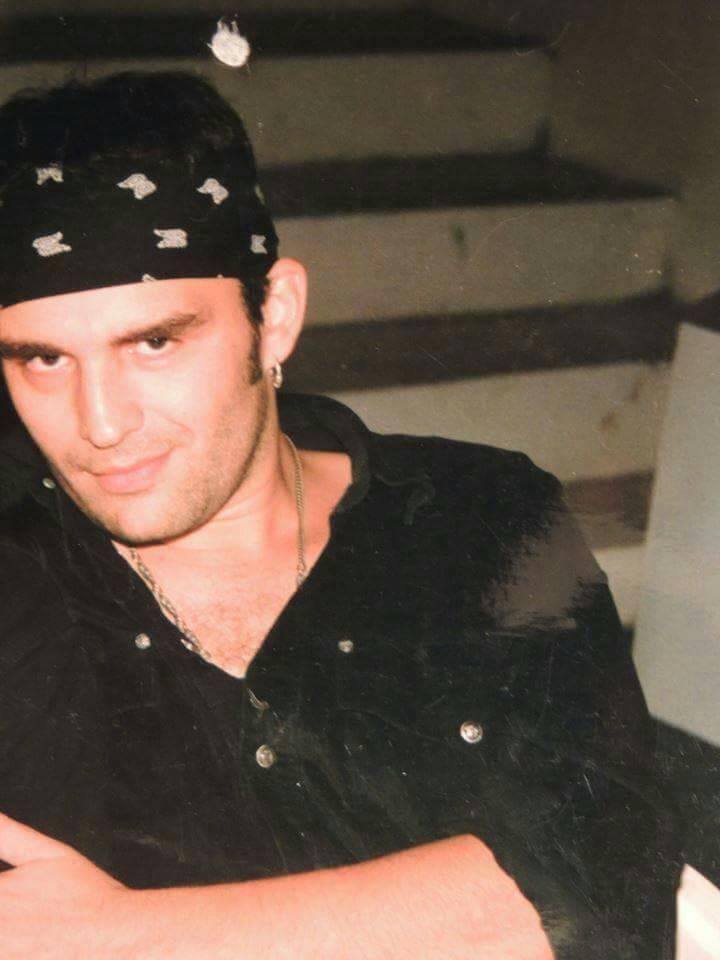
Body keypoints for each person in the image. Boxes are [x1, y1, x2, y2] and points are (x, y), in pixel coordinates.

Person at [0, 71, 680, 959]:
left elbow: (610, 893)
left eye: (155, 342)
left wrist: (124, 934)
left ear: (275, 317)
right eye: (43, 360)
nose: (100, 423)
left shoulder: (483, 517)